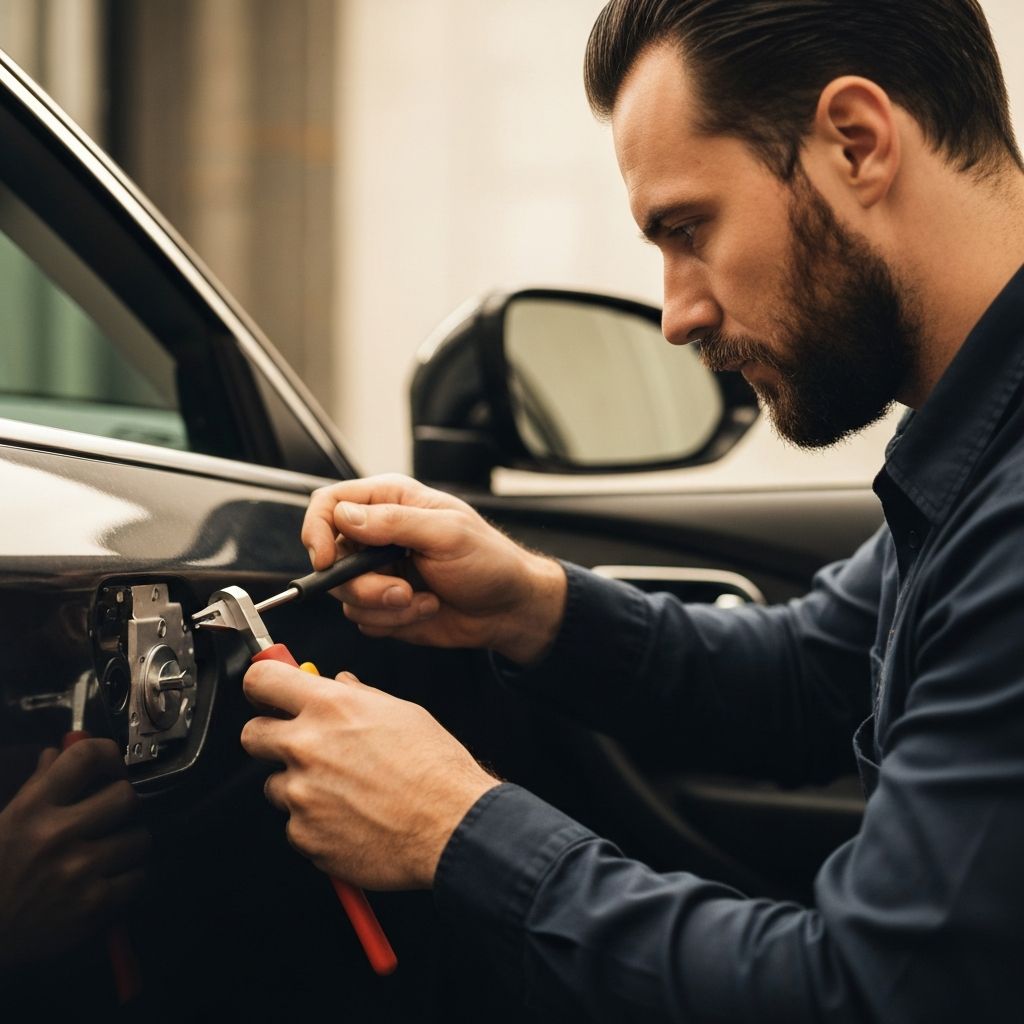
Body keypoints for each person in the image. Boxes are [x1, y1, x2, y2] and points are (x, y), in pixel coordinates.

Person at [239, 1, 1024, 1019]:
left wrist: (452, 825)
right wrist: (524, 601)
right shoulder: (977, 448)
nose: (677, 312)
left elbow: (867, 995)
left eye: (689, 228)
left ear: (854, 142)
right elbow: (809, 676)